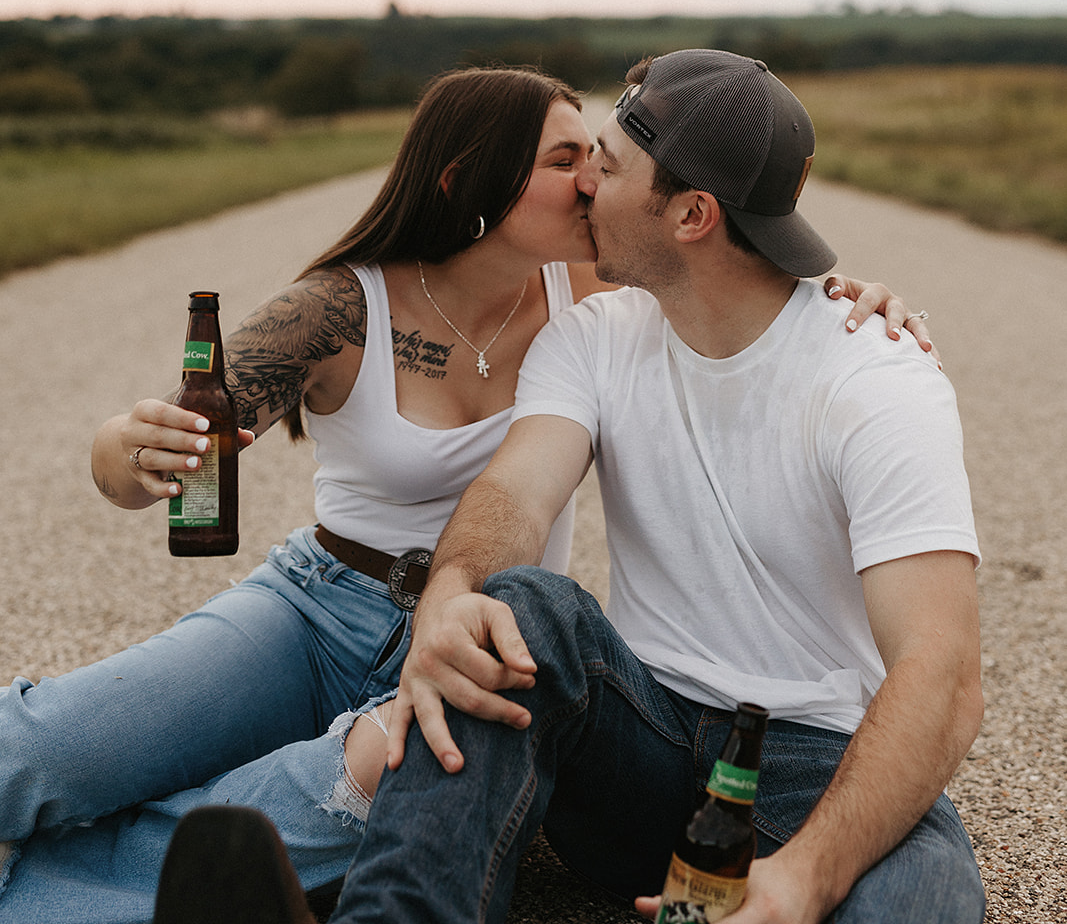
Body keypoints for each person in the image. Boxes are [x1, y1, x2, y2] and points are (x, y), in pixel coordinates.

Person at [0, 62, 923, 922]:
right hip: (318, 614)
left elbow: (725, 265)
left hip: (468, 632)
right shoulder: (338, 307)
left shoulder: (593, 289)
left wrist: (844, 297)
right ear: (464, 183)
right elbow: (168, 445)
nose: (591, 182)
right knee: (52, 752)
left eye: (592, 158)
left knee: (315, 810)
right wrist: (123, 447)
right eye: (564, 161)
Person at [308, 50, 983, 924]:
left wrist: (805, 876)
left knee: (926, 897)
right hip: (635, 742)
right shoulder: (594, 335)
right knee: (516, 606)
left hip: (810, 769)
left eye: (611, 166)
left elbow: (942, 673)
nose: (583, 182)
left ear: (693, 215)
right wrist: (448, 590)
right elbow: (516, 491)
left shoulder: (875, 379)